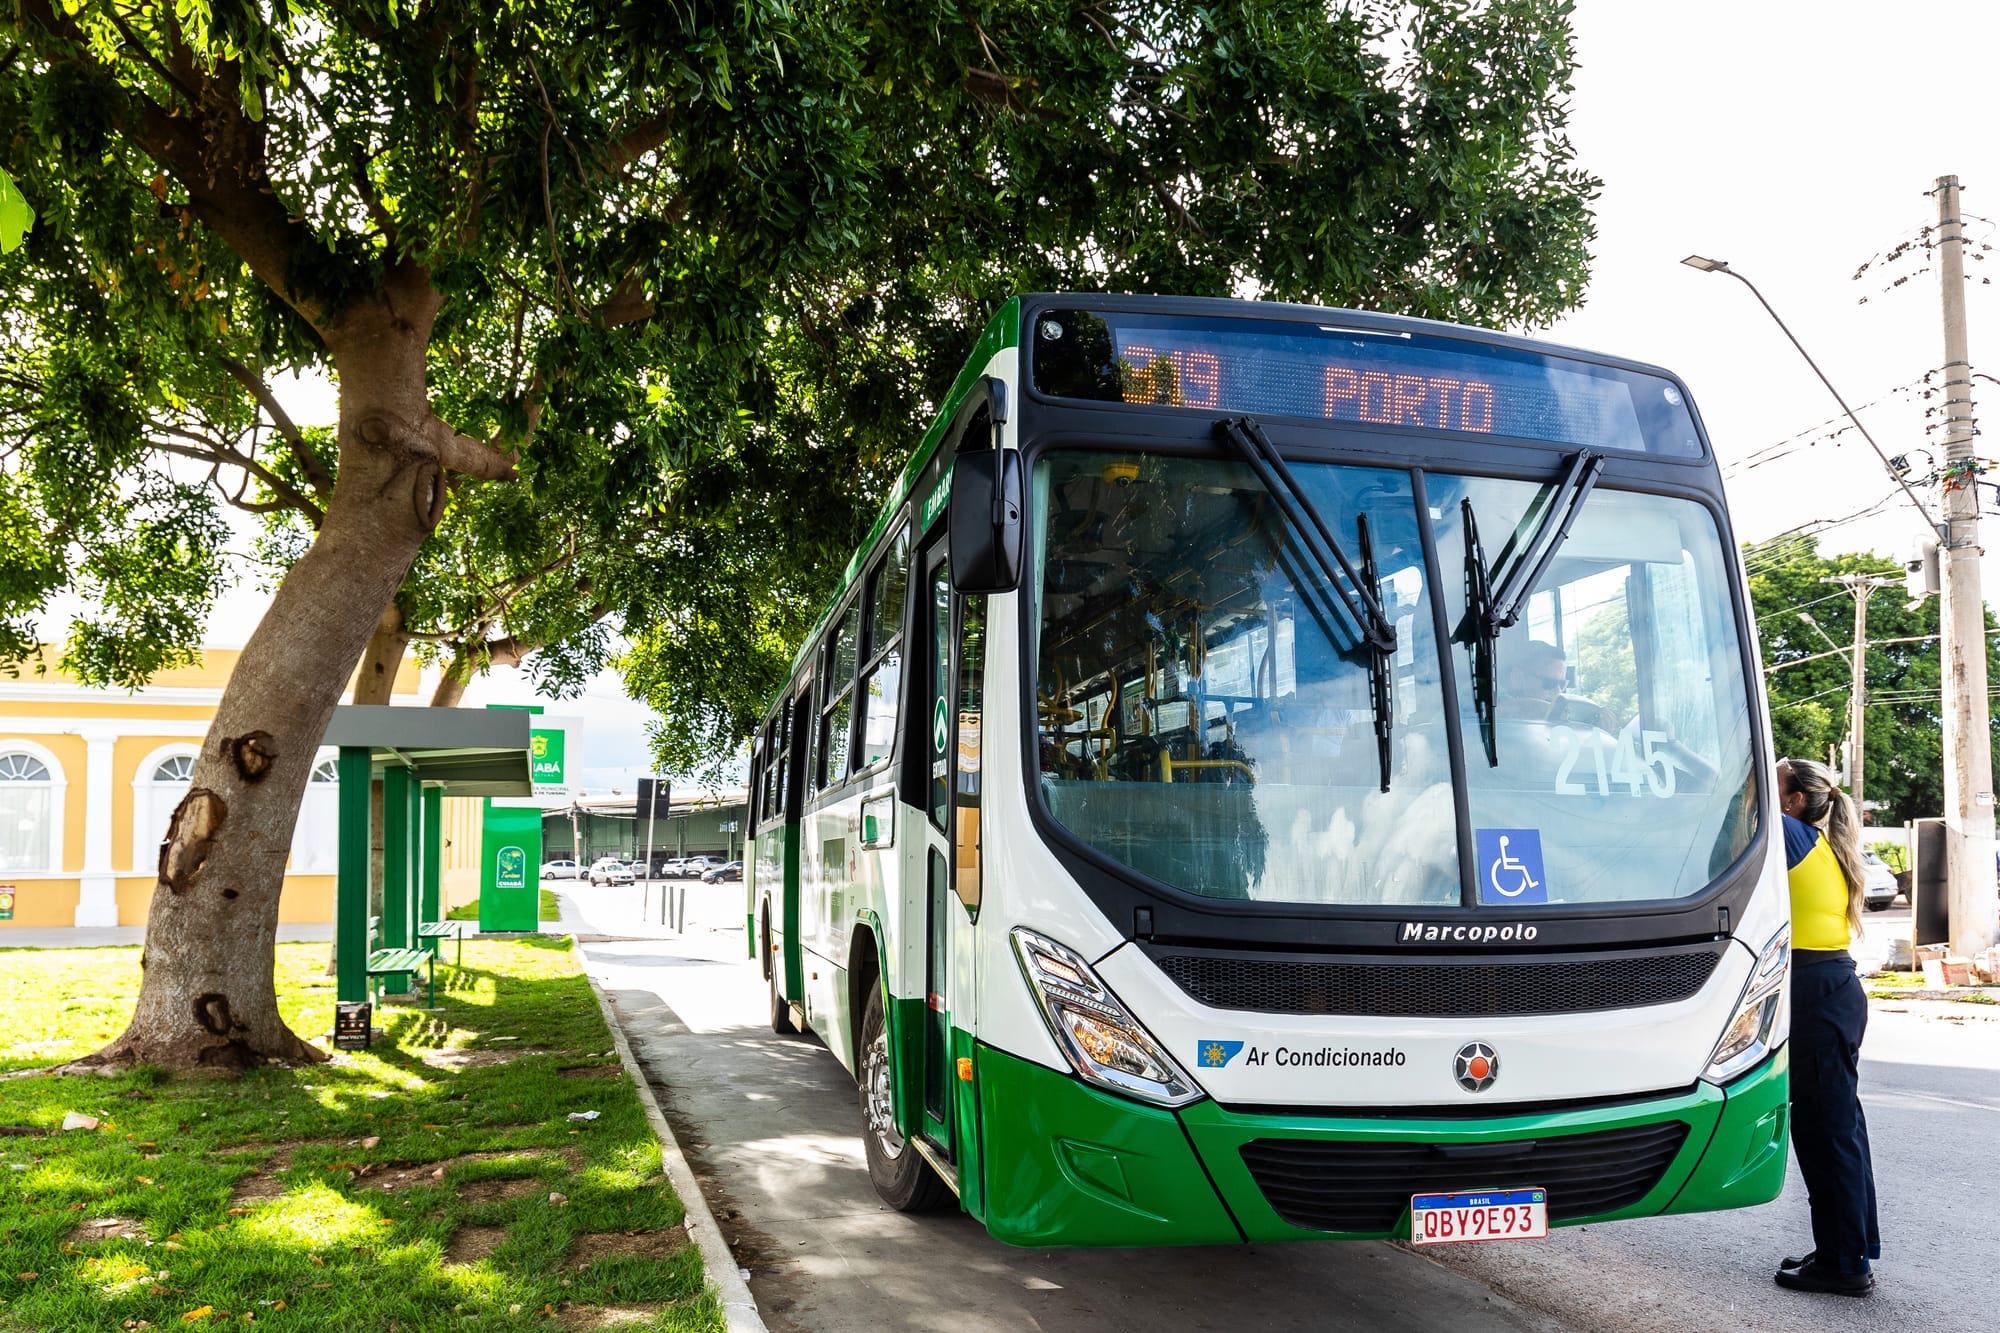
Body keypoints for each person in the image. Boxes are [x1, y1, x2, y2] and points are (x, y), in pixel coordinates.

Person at [1774, 756, 1881, 1297]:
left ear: (1793, 802)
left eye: (1774, 787)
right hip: (1832, 988)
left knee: (1824, 1131)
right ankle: (1849, 1247)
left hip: (1816, 992)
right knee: (1840, 1127)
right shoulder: (1827, 845)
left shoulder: (1791, 833)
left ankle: (1844, 1264)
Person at [1499, 639, 1617, 732]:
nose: (1558, 692)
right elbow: (1510, 707)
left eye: (1562, 684)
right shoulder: (1494, 711)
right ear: (1517, 678)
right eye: (1549, 683)